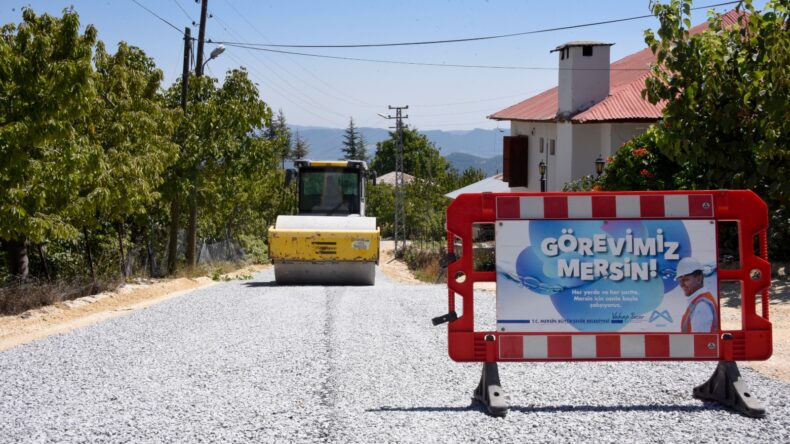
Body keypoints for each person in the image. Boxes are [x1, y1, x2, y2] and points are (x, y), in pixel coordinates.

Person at [676, 257, 717, 333]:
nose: (681, 285)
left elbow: (700, 338)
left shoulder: (702, 305)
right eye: (679, 280)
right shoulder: (699, 301)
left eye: (685, 279)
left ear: (698, 279)